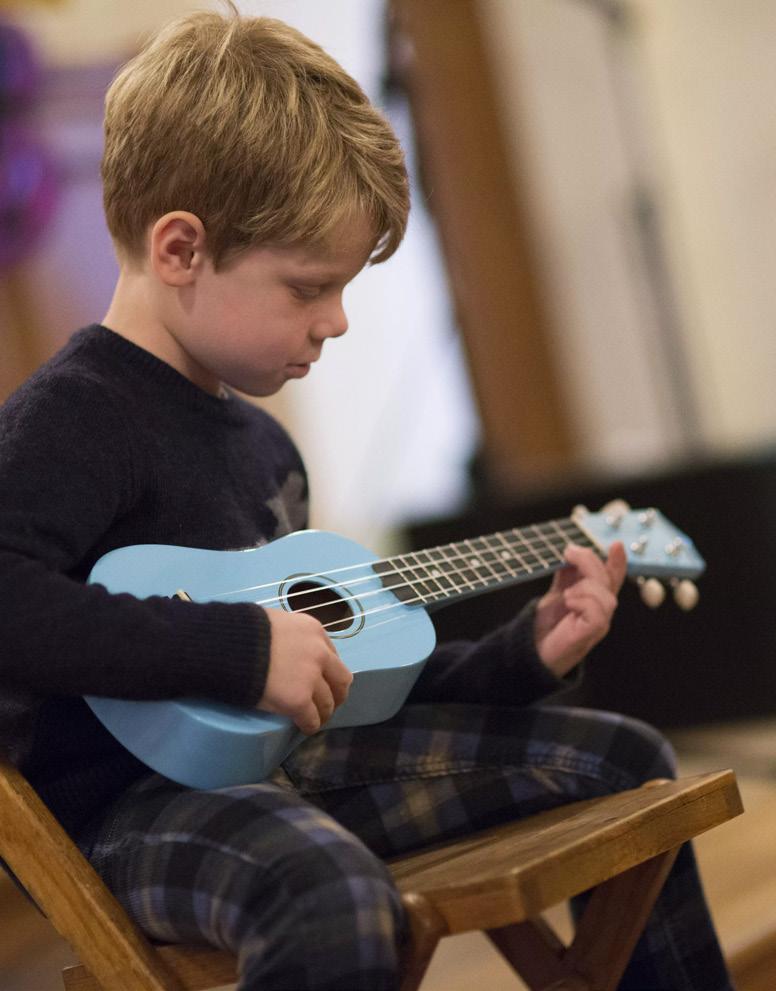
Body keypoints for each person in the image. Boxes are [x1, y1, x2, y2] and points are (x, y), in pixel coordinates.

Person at [0, 7, 732, 990]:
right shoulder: (74, 418)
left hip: (294, 769)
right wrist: (238, 650)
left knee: (628, 759)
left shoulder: (265, 449)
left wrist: (521, 654)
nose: (336, 321)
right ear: (179, 250)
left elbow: (333, 686)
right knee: (331, 893)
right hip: (133, 814)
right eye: (308, 287)